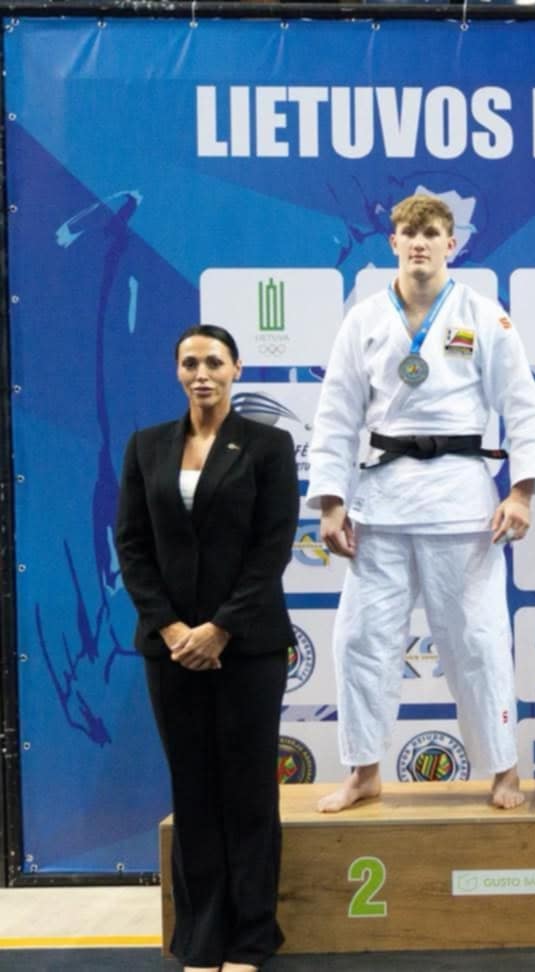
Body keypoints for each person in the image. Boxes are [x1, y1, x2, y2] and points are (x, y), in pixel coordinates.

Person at [307, 194, 535, 812]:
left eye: (432, 233)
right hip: (381, 503)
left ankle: (504, 770)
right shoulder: (363, 319)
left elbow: (522, 405)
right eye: (409, 233)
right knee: (359, 640)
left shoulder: (483, 315)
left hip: (460, 501)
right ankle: (364, 770)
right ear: (392, 242)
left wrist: (521, 491)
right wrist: (331, 502)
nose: (420, 243)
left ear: (451, 244)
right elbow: (336, 415)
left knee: (480, 641)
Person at [116, 324, 299, 972]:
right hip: (170, 651)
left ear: (236, 369)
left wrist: (219, 628)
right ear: (177, 371)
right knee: (192, 791)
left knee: (249, 792)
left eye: (214, 362)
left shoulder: (269, 446)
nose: (202, 373)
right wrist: (171, 629)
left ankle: (251, 938)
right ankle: (201, 939)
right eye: (190, 362)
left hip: (248, 648)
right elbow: (132, 545)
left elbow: (273, 546)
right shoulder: (146, 447)